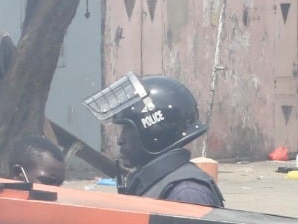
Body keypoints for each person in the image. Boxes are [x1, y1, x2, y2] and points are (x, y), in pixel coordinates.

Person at [86, 73, 223, 207]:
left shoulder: (187, 194)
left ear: (153, 132)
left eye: (128, 129)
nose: (120, 140)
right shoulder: (154, 183)